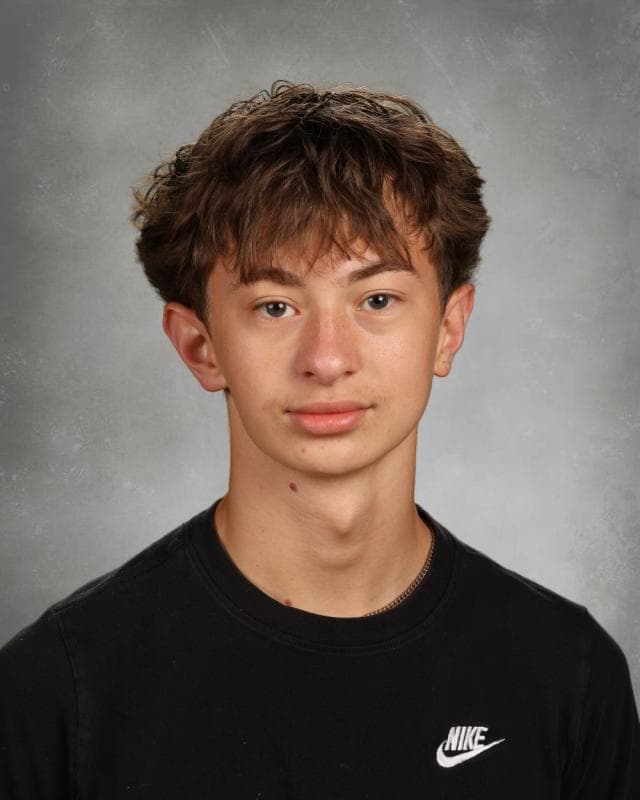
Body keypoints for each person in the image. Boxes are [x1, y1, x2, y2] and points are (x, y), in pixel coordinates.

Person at [1, 80, 638, 798]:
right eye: (275, 306)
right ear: (200, 346)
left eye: (377, 300)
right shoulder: (59, 691)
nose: (328, 359)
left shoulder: (568, 674)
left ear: (448, 329)